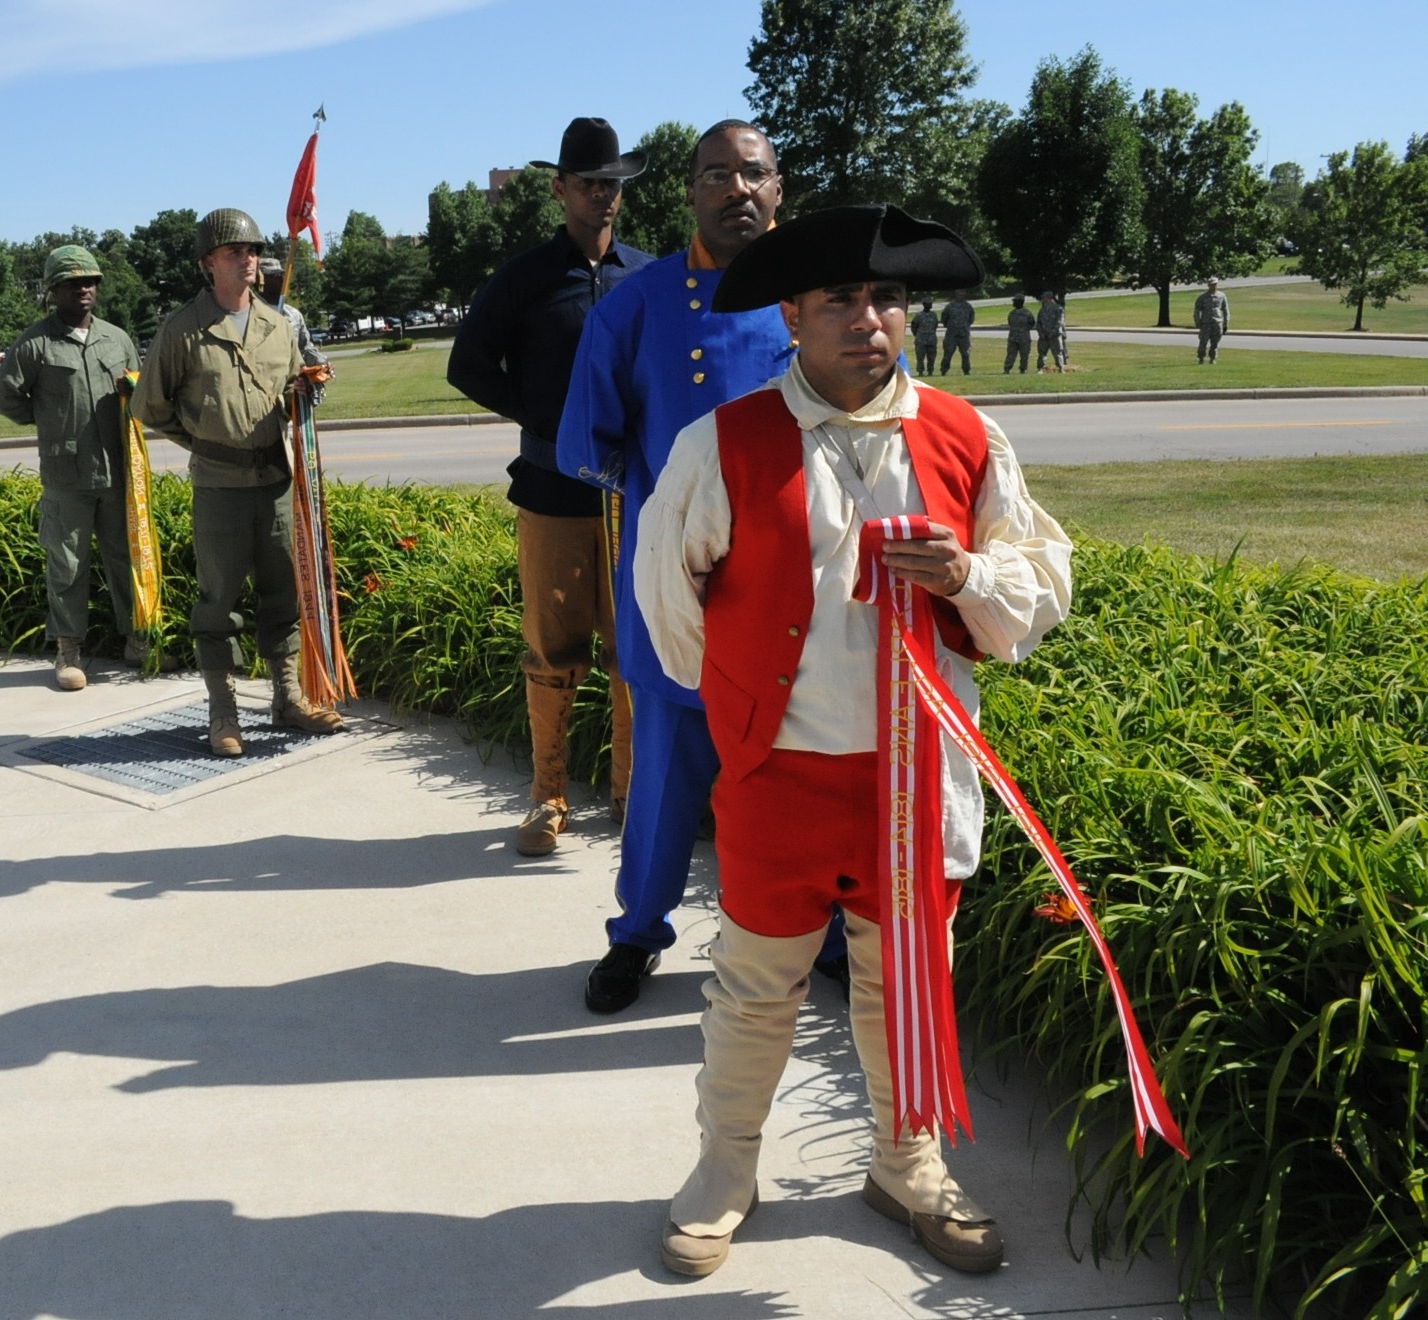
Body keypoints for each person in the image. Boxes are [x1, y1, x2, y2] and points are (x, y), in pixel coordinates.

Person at [634, 204, 1072, 1279]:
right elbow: (667, 603)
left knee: (907, 980)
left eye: (884, 298)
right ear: (791, 314)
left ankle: (906, 1163)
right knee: (755, 983)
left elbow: (1041, 581)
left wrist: (965, 578)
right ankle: (726, 1167)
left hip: (917, 772)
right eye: (838, 300)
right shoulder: (722, 443)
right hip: (782, 774)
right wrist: (747, 710)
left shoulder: (966, 435)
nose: (866, 320)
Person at [556, 119, 793, 1013]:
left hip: (795, 586)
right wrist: (680, 508)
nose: (737, 190)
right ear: (691, 192)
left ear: (780, 187)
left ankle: (805, 933)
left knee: (789, 769)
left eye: (753, 174)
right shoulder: (638, 303)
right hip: (678, 583)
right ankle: (638, 934)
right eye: (717, 176)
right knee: (663, 772)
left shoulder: (821, 296)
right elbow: (592, 438)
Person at [448, 116, 651, 856]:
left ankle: (632, 794)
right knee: (552, 648)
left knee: (635, 647)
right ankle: (548, 796)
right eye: (590, 183)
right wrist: (544, 418)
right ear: (560, 187)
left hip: (635, 496)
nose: (602, 196)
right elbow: (467, 366)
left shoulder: (646, 276)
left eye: (613, 185)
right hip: (552, 486)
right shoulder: (526, 278)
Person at [131, 208, 343, 755]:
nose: (248, 260)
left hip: (276, 478)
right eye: (234, 252)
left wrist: (304, 389)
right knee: (218, 602)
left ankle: (288, 697)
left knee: (282, 594)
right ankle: (223, 712)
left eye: (252, 251)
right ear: (209, 263)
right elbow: (150, 406)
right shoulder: (183, 329)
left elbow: (294, 391)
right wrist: (205, 437)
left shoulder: (278, 325)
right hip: (219, 487)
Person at [0, 245, 154, 691]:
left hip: (118, 471)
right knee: (67, 565)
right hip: (67, 477)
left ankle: (138, 641)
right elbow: (4, 397)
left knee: (126, 560)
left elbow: (138, 392)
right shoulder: (36, 342)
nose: (84, 289)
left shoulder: (117, 339)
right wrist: (47, 419)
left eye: (90, 281)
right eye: (72, 282)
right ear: (53, 291)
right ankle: (68, 651)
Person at [1194, 278, 1229, 364]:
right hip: (1206, 323)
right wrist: (1197, 322)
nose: (1214, 286)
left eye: (1215, 284)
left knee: (1215, 342)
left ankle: (1213, 358)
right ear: (1208, 285)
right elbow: (1197, 310)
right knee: (1203, 341)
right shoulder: (1202, 297)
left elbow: (1225, 310)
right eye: (1212, 284)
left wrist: (1226, 322)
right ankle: (1201, 357)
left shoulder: (1221, 296)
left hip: (1218, 322)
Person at [938, 293, 973, 375]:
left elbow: (971, 318)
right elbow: (944, 319)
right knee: (948, 353)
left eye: (962, 294)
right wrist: (950, 326)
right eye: (958, 294)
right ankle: (944, 370)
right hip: (951, 335)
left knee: (966, 354)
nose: (960, 296)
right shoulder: (949, 306)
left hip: (964, 335)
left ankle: (967, 370)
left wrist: (965, 326)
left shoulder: (968, 306)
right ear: (955, 295)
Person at [1036, 290, 1067, 371]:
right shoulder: (1042, 310)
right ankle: (1041, 368)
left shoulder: (1058, 309)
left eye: (1044, 298)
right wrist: (1041, 333)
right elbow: (1038, 323)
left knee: (1058, 352)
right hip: (1044, 336)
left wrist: (1052, 332)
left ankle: (1061, 368)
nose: (1042, 299)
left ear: (1049, 298)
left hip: (1055, 335)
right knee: (1042, 353)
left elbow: (1059, 322)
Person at [1003, 295, 1034, 374]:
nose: (1013, 303)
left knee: (1024, 354)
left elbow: (1032, 323)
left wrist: (1023, 330)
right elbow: (1010, 323)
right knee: (1011, 354)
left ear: (1020, 302)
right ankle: (1007, 369)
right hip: (1013, 337)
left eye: (1015, 301)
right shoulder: (1012, 313)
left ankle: (1023, 369)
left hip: (1024, 338)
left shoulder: (1027, 313)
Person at [910, 299, 939, 377]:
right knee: (920, 357)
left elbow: (935, 325)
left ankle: (930, 371)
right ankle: (920, 371)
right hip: (921, 340)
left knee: (931, 357)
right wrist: (917, 335)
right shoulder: (919, 315)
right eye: (928, 304)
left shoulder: (933, 315)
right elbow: (913, 326)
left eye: (930, 304)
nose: (930, 305)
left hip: (932, 340)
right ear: (924, 305)